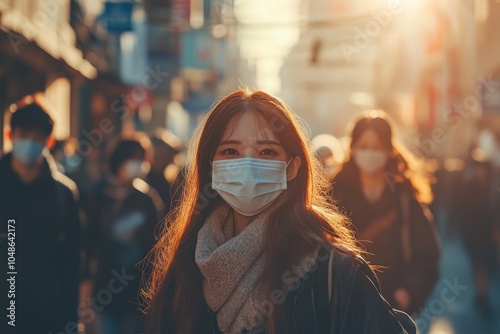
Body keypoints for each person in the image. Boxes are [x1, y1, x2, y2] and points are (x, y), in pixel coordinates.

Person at [143, 89, 415, 334]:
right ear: (210, 166)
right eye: (230, 150)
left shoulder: (333, 270)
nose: (248, 164)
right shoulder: (185, 264)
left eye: (267, 152)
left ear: (292, 168)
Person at [331, 110, 440, 316]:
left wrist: (407, 293)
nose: (369, 153)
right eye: (363, 147)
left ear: (390, 150)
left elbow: (427, 256)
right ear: (352, 148)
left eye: (377, 147)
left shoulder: (405, 198)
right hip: (344, 308)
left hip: (393, 309)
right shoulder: (334, 194)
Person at [0, 98, 82, 333]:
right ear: (10, 135)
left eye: (37, 137)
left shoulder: (64, 193)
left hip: (48, 314)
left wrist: (71, 321)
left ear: (49, 141)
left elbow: (73, 260)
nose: (29, 142)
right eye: (23, 134)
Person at [83, 135, 160, 334]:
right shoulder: (98, 195)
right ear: (120, 159)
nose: (139, 165)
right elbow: (87, 242)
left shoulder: (146, 199)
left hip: (136, 293)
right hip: (103, 289)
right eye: (134, 158)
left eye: (142, 160)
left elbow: (156, 245)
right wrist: (85, 286)